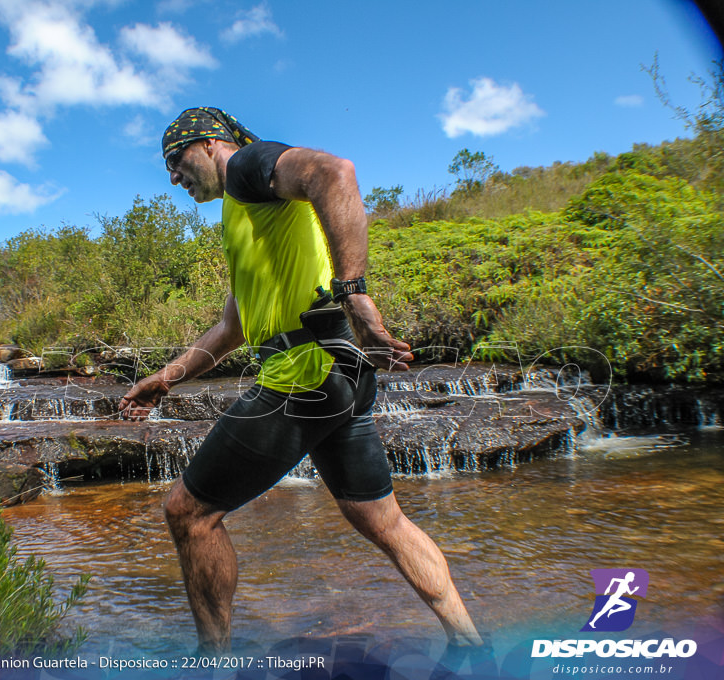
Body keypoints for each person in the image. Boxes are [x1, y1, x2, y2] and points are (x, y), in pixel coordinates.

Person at [118, 107, 482, 654]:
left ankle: (212, 662)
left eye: (177, 159)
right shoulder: (246, 216)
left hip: (302, 375)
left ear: (211, 143)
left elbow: (334, 173)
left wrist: (354, 291)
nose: (173, 176)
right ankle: (470, 643)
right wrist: (162, 379)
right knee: (383, 520)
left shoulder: (246, 165)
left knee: (189, 513)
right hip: (341, 374)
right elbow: (232, 328)